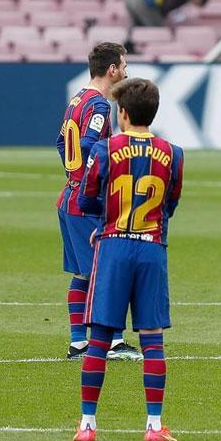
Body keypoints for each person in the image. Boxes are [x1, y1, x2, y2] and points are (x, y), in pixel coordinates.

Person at [73, 78, 184, 441]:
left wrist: (107, 222)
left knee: (100, 338)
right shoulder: (174, 153)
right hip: (152, 249)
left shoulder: (105, 150)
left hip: (114, 248)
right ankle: (154, 425)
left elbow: (88, 199)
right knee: (152, 340)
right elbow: (170, 204)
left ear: (122, 112)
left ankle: (88, 424)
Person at [55, 42, 142, 362]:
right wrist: (104, 175)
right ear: (112, 70)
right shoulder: (101, 106)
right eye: (124, 65)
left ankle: (79, 343)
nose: (126, 71)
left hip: (70, 197)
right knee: (109, 272)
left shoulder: (77, 100)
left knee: (83, 273)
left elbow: (61, 142)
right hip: (86, 202)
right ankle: (114, 342)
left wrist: (74, 174)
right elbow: (91, 145)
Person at [123, 0, 208, 52]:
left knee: (138, 26)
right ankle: (155, 57)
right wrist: (163, 17)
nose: (193, 4)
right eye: (197, 3)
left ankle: (130, 48)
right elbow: (168, 6)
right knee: (160, 32)